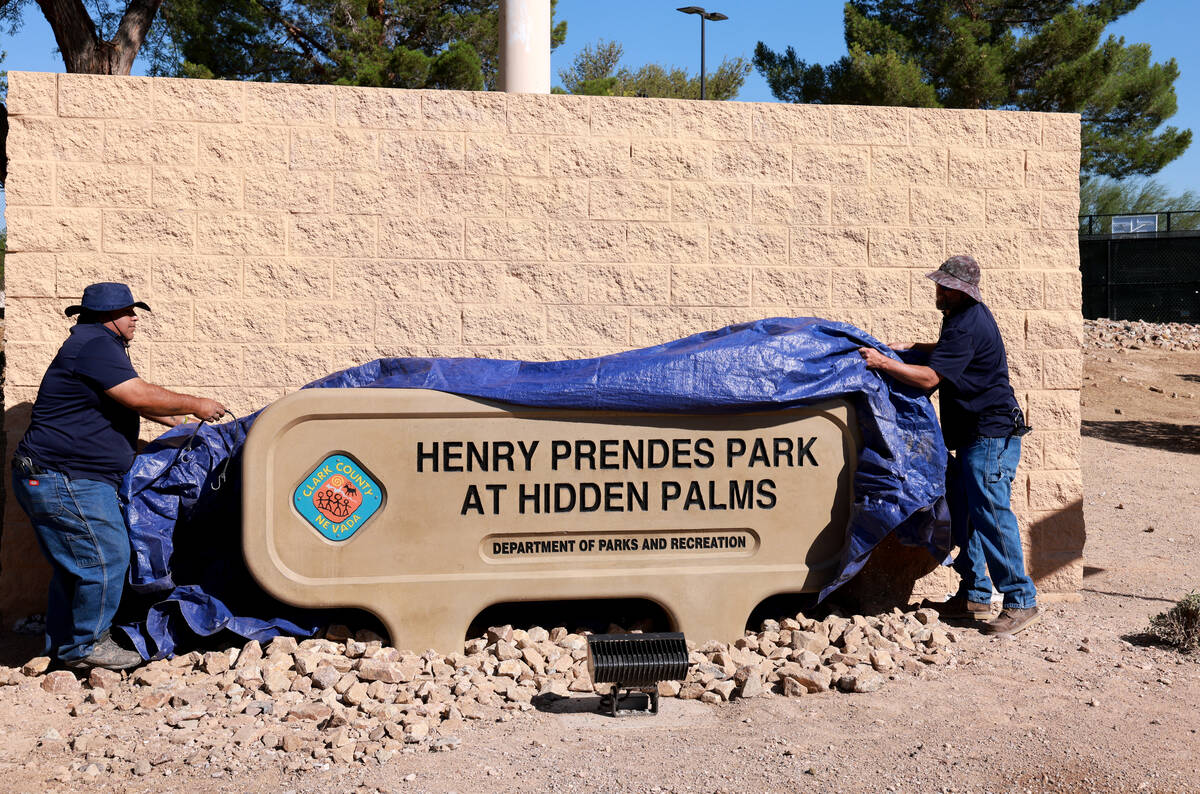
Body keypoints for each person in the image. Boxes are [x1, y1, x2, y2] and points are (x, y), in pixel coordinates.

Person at [11, 283, 227, 670]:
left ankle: (63, 651)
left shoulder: (96, 347)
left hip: (60, 478)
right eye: (128, 311)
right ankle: (87, 647)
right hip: (67, 479)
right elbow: (138, 396)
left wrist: (183, 424)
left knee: (75, 569)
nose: (135, 317)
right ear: (107, 315)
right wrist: (197, 405)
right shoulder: (95, 345)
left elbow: (136, 402)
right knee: (106, 558)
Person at [856, 255, 1040, 637]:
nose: (938, 291)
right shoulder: (961, 318)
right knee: (965, 514)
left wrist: (882, 363)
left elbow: (928, 381)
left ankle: (1020, 599)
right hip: (975, 436)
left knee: (990, 513)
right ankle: (973, 594)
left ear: (961, 291)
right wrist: (914, 346)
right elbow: (948, 353)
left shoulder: (966, 324)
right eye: (939, 284)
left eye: (945, 287)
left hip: (990, 436)